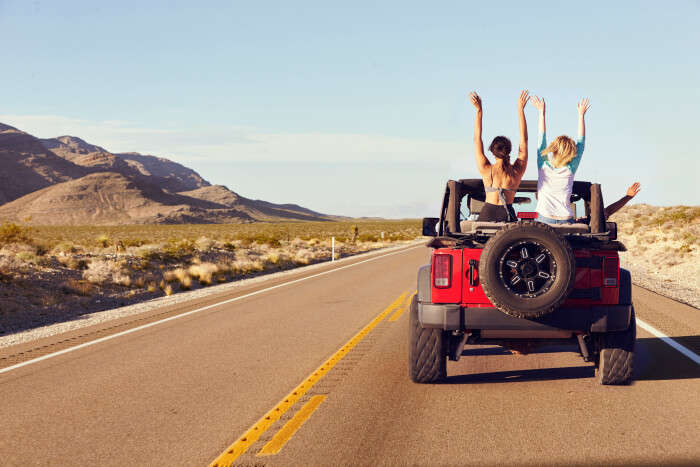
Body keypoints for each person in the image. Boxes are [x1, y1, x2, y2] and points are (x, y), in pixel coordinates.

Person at [468, 90, 530, 222]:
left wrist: (479, 111)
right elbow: (524, 140)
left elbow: (476, 139)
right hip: (508, 215)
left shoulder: (485, 169)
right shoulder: (517, 171)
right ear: (509, 150)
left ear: (491, 150)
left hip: (487, 213)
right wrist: (520, 109)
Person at [531, 95, 591, 224]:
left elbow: (541, 138)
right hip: (566, 219)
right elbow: (581, 142)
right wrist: (581, 116)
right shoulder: (571, 168)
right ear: (571, 152)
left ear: (554, 148)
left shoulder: (543, 165)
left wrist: (541, 113)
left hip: (545, 218)